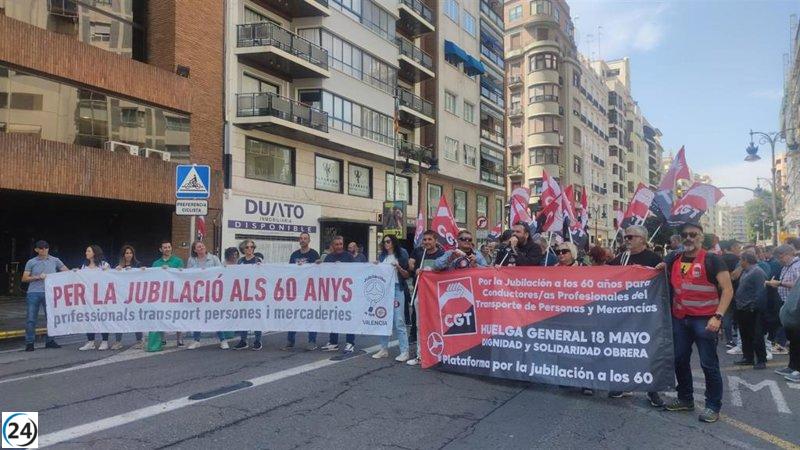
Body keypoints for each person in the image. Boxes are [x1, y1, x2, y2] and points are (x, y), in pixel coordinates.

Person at [659, 222, 733, 423]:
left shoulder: (712, 259)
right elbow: (659, 271)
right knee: (679, 360)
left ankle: (712, 406)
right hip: (680, 319)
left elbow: (727, 290)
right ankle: (685, 399)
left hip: (705, 320)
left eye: (694, 234)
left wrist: (718, 317)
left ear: (701, 237)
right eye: (685, 235)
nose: (689, 238)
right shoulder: (674, 258)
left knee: (709, 364)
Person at [607, 226, 664, 406]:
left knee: (648, 351)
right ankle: (623, 384)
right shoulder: (622, 258)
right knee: (624, 349)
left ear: (643, 239)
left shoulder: (654, 259)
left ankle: (652, 390)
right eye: (625, 237)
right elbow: (605, 275)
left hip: (646, 314)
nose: (627, 240)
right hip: (624, 313)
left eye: (631, 237)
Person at [406, 230, 446, 366]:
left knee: (437, 325)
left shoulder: (441, 255)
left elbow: (446, 273)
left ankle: (439, 354)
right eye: (425, 240)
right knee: (419, 325)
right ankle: (420, 355)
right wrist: (416, 271)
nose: (427, 242)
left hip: (436, 295)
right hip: (420, 293)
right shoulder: (419, 253)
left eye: (430, 239)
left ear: (435, 241)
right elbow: (412, 268)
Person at [22, 240, 68, 352]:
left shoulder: (55, 260)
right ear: (36, 250)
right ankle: (29, 343)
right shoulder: (31, 262)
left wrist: (75, 272)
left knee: (51, 318)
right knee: (31, 319)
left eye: (46, 248)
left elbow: (66, 271)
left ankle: (50, 341)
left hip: (50, 293)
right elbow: (24, 278)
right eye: (41, 248)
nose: (44, 250)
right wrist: (37, 277)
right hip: (33, 293)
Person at [372, 235, 411, 362]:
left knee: (399, 320)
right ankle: (384, 349)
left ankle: (404, 351)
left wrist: (398, 267)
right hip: (384, 290)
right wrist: (376, 266)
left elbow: (406, 274)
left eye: (388, 241)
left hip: (397, 288)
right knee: (382, 319)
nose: (386, 244)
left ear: (394, 242)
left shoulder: (402, 253)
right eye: (384, 242)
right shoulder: (382, 256)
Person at [766, 244, 800, 382]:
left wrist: (779, 284)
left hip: (795, 307)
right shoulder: (787, 266)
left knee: (797, 340)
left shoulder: (797, 265)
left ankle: (797, 369)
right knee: (793, 341)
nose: (779, 261)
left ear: (787, 254)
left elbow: (796, 285)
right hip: (788, 305)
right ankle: (792, 367)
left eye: (780, 258)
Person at [318, 236, 357, 353]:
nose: (339, 246)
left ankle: (350, 343)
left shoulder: (348, 256)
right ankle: (333, 342)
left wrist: (343, 267)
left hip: (347, 293)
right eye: (337, 244)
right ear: (332, 246)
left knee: (348, 317)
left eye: (341, 244)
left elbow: (357, 271)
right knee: (334, 316)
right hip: (333, 293)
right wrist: (318, 265)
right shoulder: (329, 257)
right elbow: (323, 273)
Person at [186, 241, 228, 350]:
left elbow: (220, 272)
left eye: (203, 246)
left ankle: (223, 340)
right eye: (199, 247)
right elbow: (187, 274)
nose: (201, 248)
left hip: (211, 292)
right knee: (197, 315)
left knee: (214, 315)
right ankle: (196, 340)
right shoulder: (191, 260)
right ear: (195, 250)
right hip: (197, 293)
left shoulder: (213, 258)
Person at [284, 232, 321, 351]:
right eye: (301, 238)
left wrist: (317, 265)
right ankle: (290, 341)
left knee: (311, 316)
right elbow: (289, 271)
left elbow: (319, 270)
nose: (303, 240)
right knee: (293, 315)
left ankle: (312, 341)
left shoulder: (314, 254)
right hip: (296, 290)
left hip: (310, 290)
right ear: (299, 241)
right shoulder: (294, 254)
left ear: (309, 240)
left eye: (305, 238)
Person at [733, 251, 768, 369]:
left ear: (746, 260)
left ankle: (761, 360)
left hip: (751, 310)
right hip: (742, 309)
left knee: (756, 335)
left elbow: (760, 292)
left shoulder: (757, 272)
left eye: (741, 259)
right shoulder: (745, 271)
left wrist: (754, 307)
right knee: (745, 335)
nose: (739, 262)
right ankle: (748, 357)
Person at [78, 245, 112, 351]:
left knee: (102, 318)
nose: (86, 253)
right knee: (89, 318)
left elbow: (110, 278)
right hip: (88, 297)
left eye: (88, 251)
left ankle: (105, 341)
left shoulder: (104, 265)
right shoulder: (84, 266)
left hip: (101, 296)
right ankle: (90, 342)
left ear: (94, 253)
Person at [152, 240, 185, 346]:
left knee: (177, 315)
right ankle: (162, 338)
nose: (167, 249)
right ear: (161, 250)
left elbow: (182, 274)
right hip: (161, 294)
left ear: (171, 248)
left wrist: (170, 270)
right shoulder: (156, 263)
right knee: (161, 315)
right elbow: (151, 277)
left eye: (169, 247)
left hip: (175, 293)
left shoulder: (178, 261)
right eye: (165, 247)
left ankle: (179, 339)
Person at [234, 239, 264, 350]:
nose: (250, 249)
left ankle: (258, 340)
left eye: (252, 247)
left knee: (256, 315)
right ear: (243, 249)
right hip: (243, 292)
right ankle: (243, 340)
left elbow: (263, 274)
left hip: (255, 292)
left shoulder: (257, 260)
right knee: (243, 316)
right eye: (247, 247)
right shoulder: (240, 261)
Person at [114, 245, 144, 349]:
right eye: (127, 253)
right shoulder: (118, 266)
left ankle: (139, 340)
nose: (129, 255)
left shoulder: (138, 264)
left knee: (136, 318)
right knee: (120, 318)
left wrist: (142, 270)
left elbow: (144, 277)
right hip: (121, 297)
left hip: (134, 296)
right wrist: (116, 271)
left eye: (130, 253)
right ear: (123, 254)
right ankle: (118, 341)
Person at [720, 240, 742, 349]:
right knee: (738, 315)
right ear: (732, 247)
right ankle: (739, 338)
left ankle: (729, 339)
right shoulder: (738, 260)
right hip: (737, 290)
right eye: (738, 247)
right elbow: (735, 276)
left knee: (727, 316)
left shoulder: (719, 259)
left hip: (723, 291)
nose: (740, 249)